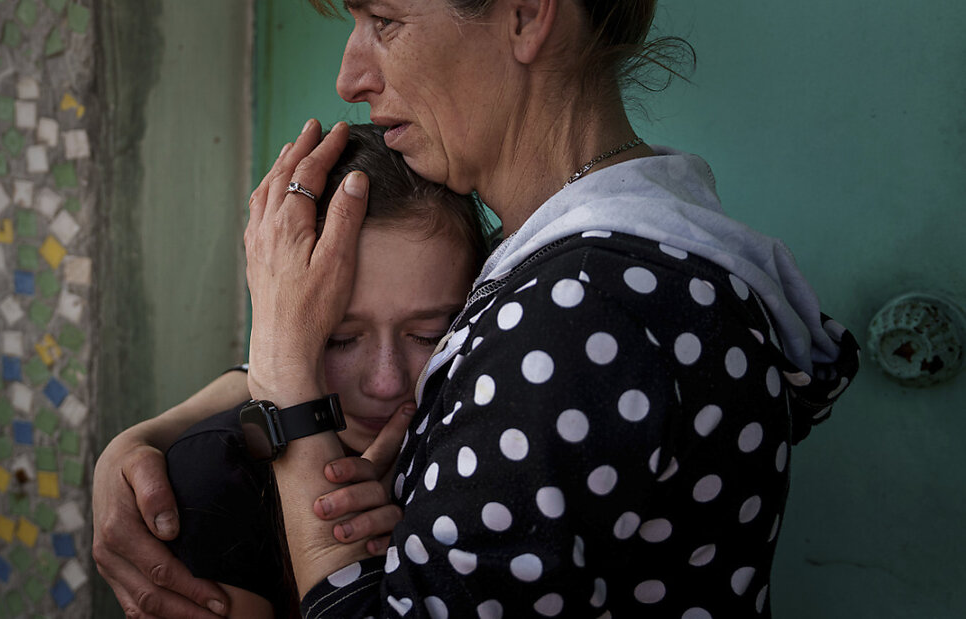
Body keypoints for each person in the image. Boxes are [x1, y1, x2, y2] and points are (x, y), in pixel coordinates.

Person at [96, 1, 861, 617]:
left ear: (528, 15)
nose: (349, 74)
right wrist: (148, 435)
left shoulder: (588, 308)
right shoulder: (592, 264)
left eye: (384, 21)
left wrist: (288, 382)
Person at [93, 124, 489, 618]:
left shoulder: (490, 437)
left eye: (430, 334)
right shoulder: (215, 484)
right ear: (281, 325)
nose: (385, 382)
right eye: (339, 338)